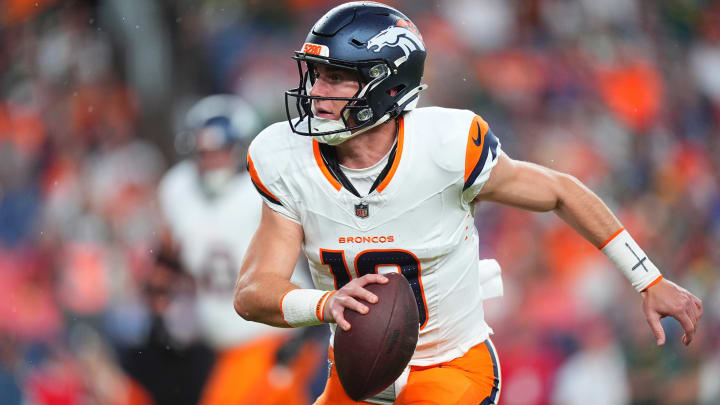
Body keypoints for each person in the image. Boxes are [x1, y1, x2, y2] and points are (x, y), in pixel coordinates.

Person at [233, 2, 703, 404]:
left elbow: (560, 191)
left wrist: (648, 278)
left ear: (389, 86)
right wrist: (324, 302)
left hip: (451, 367)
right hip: (358, 376)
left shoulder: (446, 146)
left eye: (337, 79)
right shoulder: (286, 159)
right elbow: (252, 293)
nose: (316, 93)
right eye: (315, 76)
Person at [157, 95, 326, 405]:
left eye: (219, 151)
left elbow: (314, 254)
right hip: (226, 347)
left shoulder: (260, 192)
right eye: (203, 153)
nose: (211, 162)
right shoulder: (178, 190)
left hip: (275, 337)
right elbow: (168, 260)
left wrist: (310, 329)